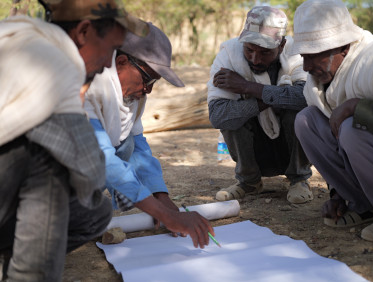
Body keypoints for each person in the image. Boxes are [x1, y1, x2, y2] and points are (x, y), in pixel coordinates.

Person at [0, 0, 149, 280]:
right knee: (53, 166)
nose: (108, 63)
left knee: (92, 213)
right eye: (108, 50)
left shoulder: (23, 35)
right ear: (83, 32)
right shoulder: (55, 62)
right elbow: (91, 171)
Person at [84, 23, 214, 249]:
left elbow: (138, 145)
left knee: (127, 143)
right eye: (148, 79)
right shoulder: (86, 86)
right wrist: (166, 216)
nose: (149, 90)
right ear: (122, 62)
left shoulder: (131, 96)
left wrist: (161, 199)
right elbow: (101, 156)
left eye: (155, 82)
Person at [207, 6, 312, 204]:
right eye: (249, 50)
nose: (255, 59)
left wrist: (247, 87)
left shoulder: (297, 52)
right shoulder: (228, 55)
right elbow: (218, 116)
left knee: (301, 114)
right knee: (232, 117)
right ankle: (249, 182)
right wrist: (272, 97)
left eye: (265, 53)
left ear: (281, 46)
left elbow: (306, 98)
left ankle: (299, 178)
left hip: (289, 145)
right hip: (257, 148)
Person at [291, 0, 373, 242]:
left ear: (343, 47)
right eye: (303, 56)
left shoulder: (370, 62)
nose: (306, 67)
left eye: (313, 55)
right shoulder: (317, 82)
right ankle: (361, 204)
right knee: (305, 120)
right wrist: (337, 194)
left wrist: (356, 106)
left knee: (352, 128)